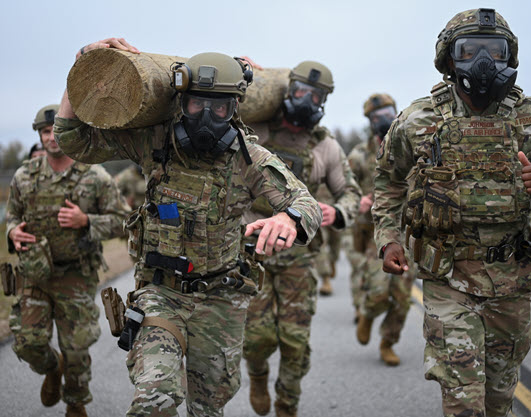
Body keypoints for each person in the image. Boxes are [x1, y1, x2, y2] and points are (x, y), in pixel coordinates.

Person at [54, 38, 322, 417]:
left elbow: (305, 202)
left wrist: (287, 217)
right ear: (182, 101)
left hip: (221, 299)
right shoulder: (156, 141)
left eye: (220, 108)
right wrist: (82, 67)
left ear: (234, 109)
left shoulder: (248, 157)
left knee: (208, 408)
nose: (206, 117)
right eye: (197, 104)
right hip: (161, 293)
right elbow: (72, 138)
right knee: (155, 399)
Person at [372, 9, 531, 417]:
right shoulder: (419, 120)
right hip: (446, 277)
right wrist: (389, 239)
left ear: (511, 57)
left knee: (499, 400)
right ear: (450, 59)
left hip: (511, 280)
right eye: (471, 50)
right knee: (463, 401)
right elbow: (388, 182)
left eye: (496, 50)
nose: (484, 62)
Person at [242, 61, 361, 417]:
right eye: (300, 91)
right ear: (287, 91)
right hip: (251, 253)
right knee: (257, 338)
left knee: (295, 342)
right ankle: (258, 374)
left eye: (316, 95)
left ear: (324, 100)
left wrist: (336, 212)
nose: (307, 99)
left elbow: (350, 193)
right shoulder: (256, 130)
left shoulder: (326, 148)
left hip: (299, 258)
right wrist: (247, 78)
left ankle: (287, 405)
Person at [5, 103, 130, 417]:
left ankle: (75, 404)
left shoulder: (96, 176)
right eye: (46, 132)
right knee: (28, 343)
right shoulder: (23, 176)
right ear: (40, 135)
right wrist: (12, 233)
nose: (51, 137)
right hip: (36, 274)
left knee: (76, 348)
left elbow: (123, 221)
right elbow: (12, 217)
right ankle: (52, 367)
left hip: (76, 274)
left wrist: (86, 220)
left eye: (56, 130)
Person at [351, 93, 414, 366]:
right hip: (374, 234)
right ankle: (367, 312)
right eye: (376, 117)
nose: (383, 119)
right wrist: (357, 202)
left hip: (409, 234)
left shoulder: (412, 147)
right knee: (378, 291)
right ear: (369, 122)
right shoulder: (359, 155)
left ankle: (388, 342)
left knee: (401, 299)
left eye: (388, 112)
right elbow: (342, 189)